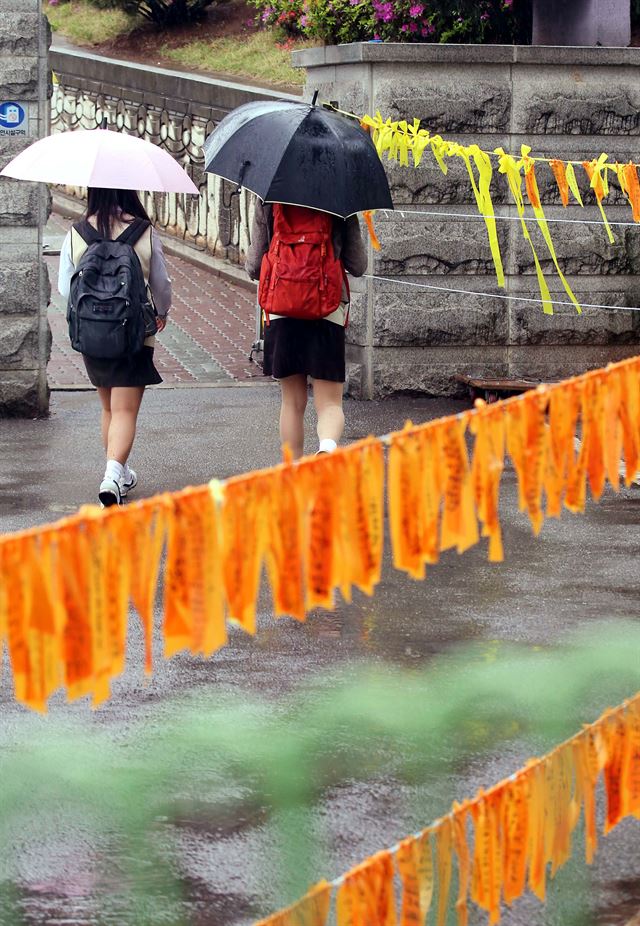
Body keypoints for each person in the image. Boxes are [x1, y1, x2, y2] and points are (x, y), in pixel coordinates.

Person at [58, 187, 172, 507]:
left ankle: (117, 471)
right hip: (134, 331)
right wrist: (161, 312)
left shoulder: (78, 232)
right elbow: (161, 284)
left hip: (93, 334)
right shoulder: (142, 231)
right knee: (125, 409)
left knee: (109, 407)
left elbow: (65, 287)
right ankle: (112, 477)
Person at [245, 201, 367, 459]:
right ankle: (327, 448)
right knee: (330, 403)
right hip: (328, 308)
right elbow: (358, 264)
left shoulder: (270, 195)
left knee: (292, 402)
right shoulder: (339, 194)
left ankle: (293, 474)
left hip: (282, 307)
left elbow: (255, 265)